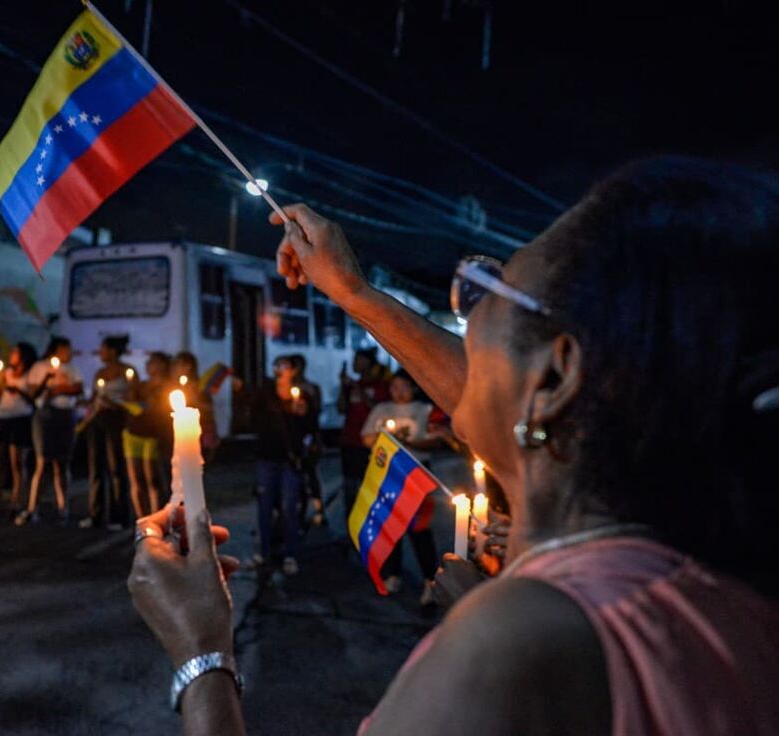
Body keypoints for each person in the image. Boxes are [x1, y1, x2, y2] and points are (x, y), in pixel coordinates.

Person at [127, 159, 779, 734]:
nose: (465, 314)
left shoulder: (518, 645)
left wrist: (201, 652)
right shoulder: (714, 595)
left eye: (489, 289)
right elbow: (491, 388)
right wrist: (353, 293)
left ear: (553, 379)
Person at [361, 369, 441, 599]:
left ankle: (430, 581)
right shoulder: (381, 409)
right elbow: (366, 437)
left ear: (414, 387)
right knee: (390, 525)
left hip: (418, 474)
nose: (398, 391)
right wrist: (384, 439)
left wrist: (407, 440)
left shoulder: (424, 410)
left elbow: (436, 441)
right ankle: (393, 573)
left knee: (419, 529)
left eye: (404, 386)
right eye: (394, 387)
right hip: (390, 474)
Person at [245, 355, 320, 576]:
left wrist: (302, 413)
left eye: (285, 366)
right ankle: (263, 552)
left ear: (293, 371)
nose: (280, 369)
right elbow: (254, 421)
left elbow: (310, 427)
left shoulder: (303, 394)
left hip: (290, 459)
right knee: (265, 505)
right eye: (277, 365)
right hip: (267, 456)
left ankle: (290, 554)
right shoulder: (265, 393)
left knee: (289, 507)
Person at [23, 337, 84, 526]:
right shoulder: (39, 367)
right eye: (66, 349)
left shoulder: (72, 369)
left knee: (62, 463)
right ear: (56, 350)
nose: (69, 353)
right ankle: (33, 508)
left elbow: (78, 389)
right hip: (46, 416)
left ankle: (62, 507)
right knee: (42, 462)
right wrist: (48, 379)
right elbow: (33, 394)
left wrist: (59, 389)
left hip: (66, 415)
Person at [80, 335, 134, 531]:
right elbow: (94, 397)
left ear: (113, 351)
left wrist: (117, 403)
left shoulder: (127, 371)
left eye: (103, 349)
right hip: (97, 420)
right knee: (96, 468)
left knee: (116, 468)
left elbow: (133, 396)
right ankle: (96, 514)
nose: (101, 352)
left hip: (116, 419)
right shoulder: (100, 372)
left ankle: (119, 516)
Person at [0, 342, 36, 519]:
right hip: (1, 418)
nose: (12, 354)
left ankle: (17, 502)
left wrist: (18, 391)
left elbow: (33, 398)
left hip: (20, 419)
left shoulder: (30, 375)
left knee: (17, 464)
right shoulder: (6, 372)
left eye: (15, 352)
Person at [337, 348, 389, 524]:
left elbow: (378, 410)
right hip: (349, 442)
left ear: (369, 362)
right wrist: (343, 386)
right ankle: (352, 525)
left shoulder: (380, 386)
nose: (355, 363)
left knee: (371, 487)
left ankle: (373, 523)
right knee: (350, 488)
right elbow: (341, 409)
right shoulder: (351, 385)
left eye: (359, 359)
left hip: (370, 445)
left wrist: (358, 388)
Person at [123, 351, 172, 520]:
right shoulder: (141, 385)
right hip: (133, 432)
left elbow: (162, 408)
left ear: (162, 365)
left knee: (152, 479)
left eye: (152, 362)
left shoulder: (168, 386)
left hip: (152, 433)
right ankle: (141, 519)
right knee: (136, 479)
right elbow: (129, 400)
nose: (148, 365)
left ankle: (156, 517)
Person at [289, 354, 325, 527]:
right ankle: (297, 514)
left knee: (311, 477)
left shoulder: (311, 388)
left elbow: (316, 411)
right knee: (296, 481)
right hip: (293, 438)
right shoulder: (284, 389)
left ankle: (319, 511)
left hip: (308, 436)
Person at [172, 351, 219, 461]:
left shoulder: (200, 386)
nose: (178, 368)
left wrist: (194, 400)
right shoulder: (172, 385)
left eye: (182, 364)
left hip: (199, 431)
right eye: (176, 364)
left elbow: (208, 409)